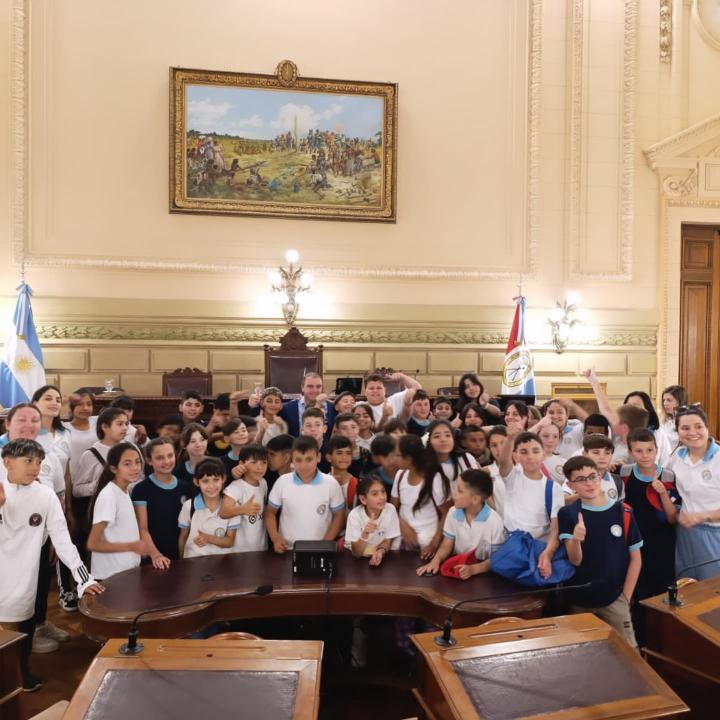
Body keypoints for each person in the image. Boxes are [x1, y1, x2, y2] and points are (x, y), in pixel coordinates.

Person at [0, 438, 103, 692]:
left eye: (38, 461)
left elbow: (63, 540)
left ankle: (21, 675)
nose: (35, 467)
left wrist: (84, 579)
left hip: (25, 576)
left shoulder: (45, 494)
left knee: (23, 629)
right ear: (7, 463)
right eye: (28, 461)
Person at [0, 404, 68, 649]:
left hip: (37, 535)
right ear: (7, 424)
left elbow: (60, 493)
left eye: (35, 420)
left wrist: (52, 535)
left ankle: (35, 630)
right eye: (22, 420)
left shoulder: (47, 454)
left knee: (36, 588)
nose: (29, 425)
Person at [558, 456, 643, 647]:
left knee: (629, 651)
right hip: (579, 601)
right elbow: (575, 560)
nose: (589, 483)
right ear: (571, 485)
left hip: (615, 598)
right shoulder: (569, 514)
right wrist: (576, 540)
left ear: (600, 477)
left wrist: (626, 597)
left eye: (592, 476)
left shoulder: (623, 512)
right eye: (580, 479)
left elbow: (636, 559)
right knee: (583, 655)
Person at [620, 427, 679, 642]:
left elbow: (673, 518)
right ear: (630, 452)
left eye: (649, 450)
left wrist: (662, 492)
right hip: (634, 544)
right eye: (639, 451)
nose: (645, 455)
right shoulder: (623, 473)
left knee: (662, 592)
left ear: (656, 450)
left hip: (662, 544)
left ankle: (662, 643)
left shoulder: (668, 475)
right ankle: (639, 642)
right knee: (638, 592)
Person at [497, 428, 564, 579]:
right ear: (515, 456)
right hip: (510, 547)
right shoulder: (513, 477)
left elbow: (555, 530)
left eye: (535, 451)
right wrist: (509, 438)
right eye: (524, 452)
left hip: (537, 550)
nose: (530, 456)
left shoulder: (553, 489)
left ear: (543, 455)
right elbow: (503, 463)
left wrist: (547, 554)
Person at [416, 469, 505, 578]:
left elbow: (497, 558)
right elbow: (447, 544)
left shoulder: (494, 521)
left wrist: (474, 569)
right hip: (458, 568)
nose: (454, 495)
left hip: (483, 574)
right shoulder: (453, 512)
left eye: (460, 491)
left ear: (475, 499)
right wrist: (436, 561)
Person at [265, 436, 346, 553]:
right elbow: (270, 512)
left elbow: (339, 515)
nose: (303, 466)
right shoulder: (282, 481)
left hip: (320, 549)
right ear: (292, 459)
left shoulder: (331, 483)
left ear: (318, 457)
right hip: (288, 549)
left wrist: (326, 543)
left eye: (309, 459)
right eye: (298, 460)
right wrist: (276, 538)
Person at [666, 406, 720, 580]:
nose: (692, 432)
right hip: (686, 533)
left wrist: (701, 516)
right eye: (685, 428)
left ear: (707, 428)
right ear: (678, 432)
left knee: (711, 595)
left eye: (698, 426)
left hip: (714, 534)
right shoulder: (676, 457)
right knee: (686, 588)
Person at [87, 443, 148, 579]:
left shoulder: (123, 491)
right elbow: (93, 543)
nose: (135, 468)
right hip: (111, 576)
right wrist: (131, 546)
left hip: (125, 573)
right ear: (114, 469)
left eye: (137, 462)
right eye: (127, 464)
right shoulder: (109, 495)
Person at [392, 434, 451, 558]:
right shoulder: (400, 475)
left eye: (397, 455)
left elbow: (446, 513)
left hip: (426, 542)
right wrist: (403, 525)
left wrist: (434, 544)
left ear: (409, 459)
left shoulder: (434, 478)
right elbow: (392, 508)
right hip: (400, 539)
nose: (394, 458)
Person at [131, 438, 186, 565]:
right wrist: (156, 555)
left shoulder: (185, 487)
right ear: (149, 460)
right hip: (155, 559)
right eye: (160, 458)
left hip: (182, 556)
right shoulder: (141, 489)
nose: (167, 461)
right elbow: (142, 528)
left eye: (170, 456)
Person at [179, 458, 237, 558]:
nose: (211, 486)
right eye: (205, 481)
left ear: (223, 479)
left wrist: (209, 538)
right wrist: (181, 562)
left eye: (216, 480)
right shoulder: (189, 506)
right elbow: (183, 537)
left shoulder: (232, 506)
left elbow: (230, 541)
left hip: (222, 562)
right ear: (197, 482)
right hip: (192, 561)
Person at [249, 373, 336, 438]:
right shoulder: (289, 408)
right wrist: (254, 405)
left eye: (318, 386)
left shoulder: (331, 407)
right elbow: (266, 414)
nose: (315, 390)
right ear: (302, 387)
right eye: (310, 386)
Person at [220, 447, 268, 552]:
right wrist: (242, 509)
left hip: (261, 547)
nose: (260, 467)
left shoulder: (263, 483)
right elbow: (223, 512)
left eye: (264, 462)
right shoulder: (235, 487)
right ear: (241, 464)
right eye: (254, 462)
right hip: (239, 551)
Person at [345, 476, 400, 566]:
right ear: (363, 499)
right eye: (375, 494)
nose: (382, 497)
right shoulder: (354, 515)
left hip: (381, 557)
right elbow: (357, 553)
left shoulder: (390, 509)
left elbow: (387, 540)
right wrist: (365, 534)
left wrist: (380, 552)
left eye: (383, 492)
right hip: (356, 561)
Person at [562, 434, 624, 504]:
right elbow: (562, 500)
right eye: (596, 452)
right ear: (584, 454)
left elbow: (620, 508)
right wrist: (584, 495)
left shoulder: (617, 481)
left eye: (607, 453)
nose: (602, 457)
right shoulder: (576, 478)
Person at [31, 385, 71, 472]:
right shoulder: (26, 434)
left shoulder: (65, 433)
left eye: (58, 400)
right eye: (48, 399)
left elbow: (67, 470)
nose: (54, 403)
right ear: (35, 403)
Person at [332, 412, 371, 477]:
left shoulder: (365, 452)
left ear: (358, 428)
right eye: (344, 428)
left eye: (353, 427)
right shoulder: (331, 453)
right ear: (338, 431)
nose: (349, 431)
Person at [326, 435, 358, 508]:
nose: (344, 457)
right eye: (339, 453)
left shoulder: (357, 485)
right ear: (329, 457)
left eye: (348, 453)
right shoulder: (322, 483)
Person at [174, 423, 209, 488]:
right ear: (184, 445)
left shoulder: (218, 464)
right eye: (193, 441)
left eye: (202, 440)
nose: (198, 445)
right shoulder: (179, 471)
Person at [659, 385, 688, 452]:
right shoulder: (663, 419)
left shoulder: (688, 420)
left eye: (669, 400)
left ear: (679, 401)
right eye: (664, 400)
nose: (665, 403)